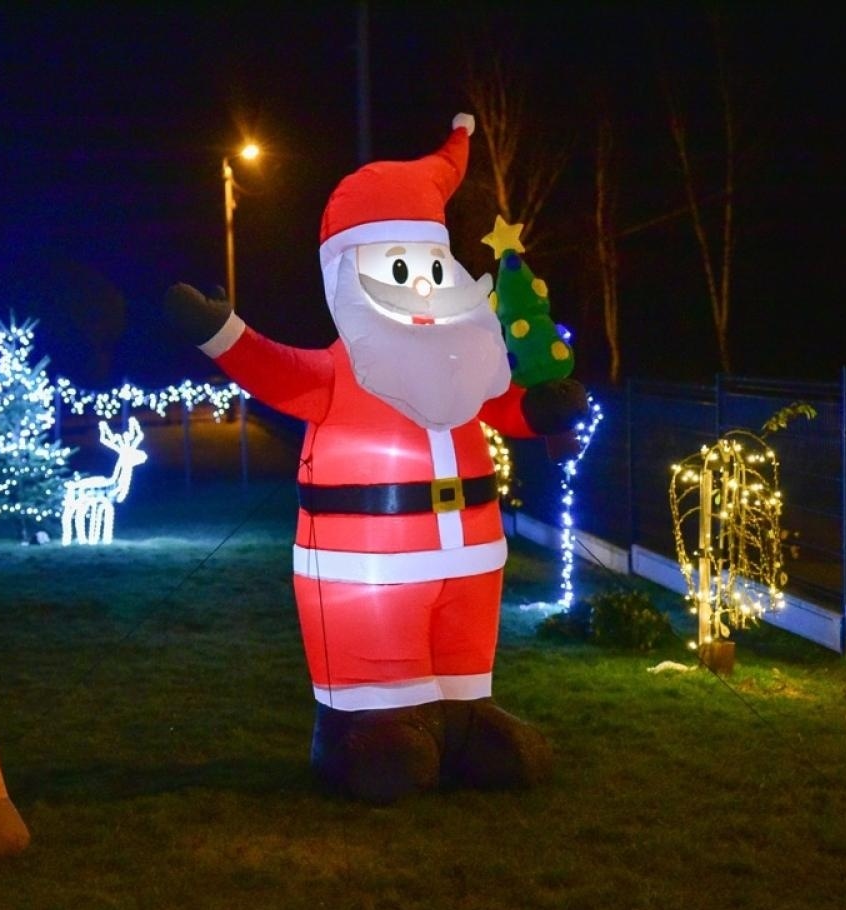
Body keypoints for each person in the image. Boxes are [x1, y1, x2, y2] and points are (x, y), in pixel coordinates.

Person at [167, 113, 586, 803]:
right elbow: (276, 371)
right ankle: (364, 728)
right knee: (379, 675)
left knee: (459, 662)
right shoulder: (343, 370)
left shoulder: (464, 364)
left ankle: (461, 717)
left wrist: (540, 410)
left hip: (470, 562)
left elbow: (500, 406)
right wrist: (221, 333)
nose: (422, 286)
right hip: (367, 570)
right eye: (400, 267)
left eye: (431, 267)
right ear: (348, 274)